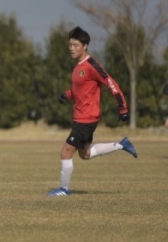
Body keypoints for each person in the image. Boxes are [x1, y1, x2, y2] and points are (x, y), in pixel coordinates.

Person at [48, 26, 137, 197]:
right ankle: (122, 144)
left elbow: (111, 84)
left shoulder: (92, 65)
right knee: (85, 154)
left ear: (85, 46)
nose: (71, 48)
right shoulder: (78, 67)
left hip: (86, 118)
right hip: (80, 117)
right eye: (70, 45)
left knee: (66, 151)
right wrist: (66, 95)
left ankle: (64, 189)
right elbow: (80, 90)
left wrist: (123, 107)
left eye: (75, 45)